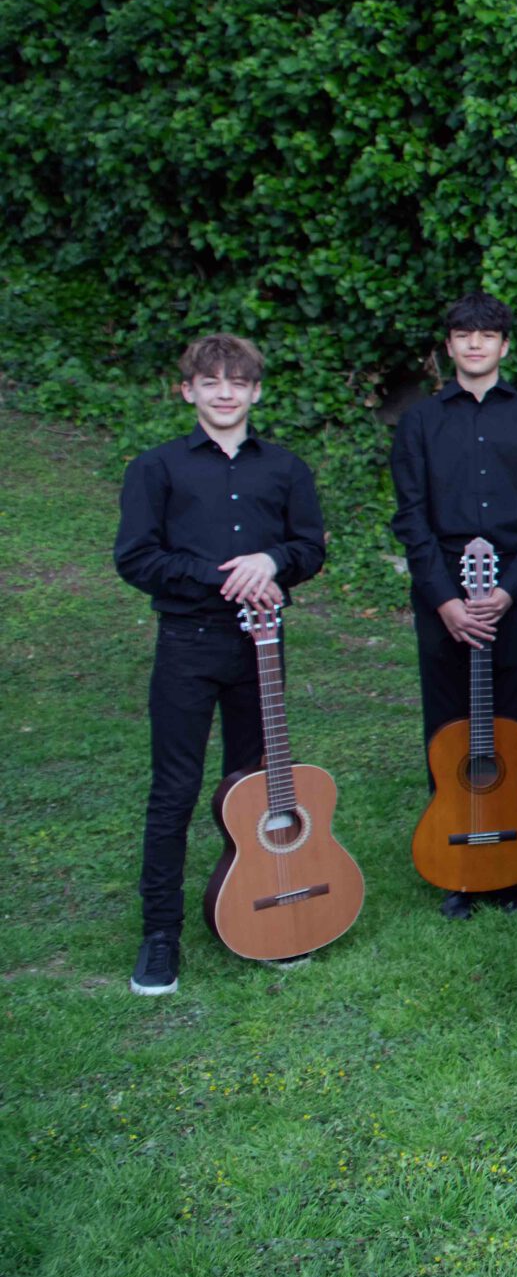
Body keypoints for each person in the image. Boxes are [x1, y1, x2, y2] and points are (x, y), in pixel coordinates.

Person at [113, 334, 327, 997]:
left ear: (257, 391)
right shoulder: (157, 468)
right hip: (187, 642)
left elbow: (308, 547)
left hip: (260, 647)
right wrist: (219, 576)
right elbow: (136, 556)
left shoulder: (286, 468)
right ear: (189, 391)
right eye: (211, 381)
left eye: (238, 380)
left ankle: (263, 908)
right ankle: (160, 935)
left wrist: (273, 563)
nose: (225, 391)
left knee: (260, 790)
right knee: (174, 789)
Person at [389, 292, 517, 917]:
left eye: (487, 334)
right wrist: (444, 601)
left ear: (504, 345)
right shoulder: (419, 422)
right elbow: (411, 517)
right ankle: (457, 861)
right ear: (449, 344)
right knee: (447, 726)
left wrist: (510, 589)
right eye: (463, 333)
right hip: (446, 595)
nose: (475, 344)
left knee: (511, 725)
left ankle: (508, 859)